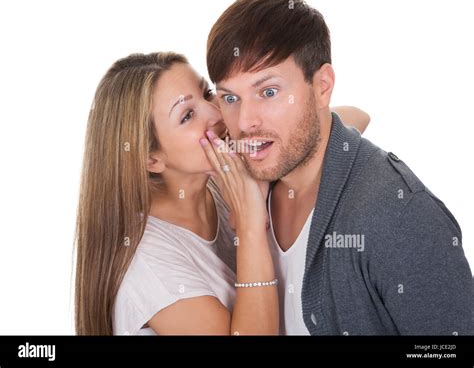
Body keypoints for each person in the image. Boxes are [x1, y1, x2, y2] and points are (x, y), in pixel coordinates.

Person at [206, 0, 473, 335]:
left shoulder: (398, 216)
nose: (245, 122)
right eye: (230, 98)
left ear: (322, 86)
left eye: (268, 92)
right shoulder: (250, 180)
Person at [74, 51, 369, 335]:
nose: (216, 113)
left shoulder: (224, 180)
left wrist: (272, 158)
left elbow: (355, 118)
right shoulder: (148, 267)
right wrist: (250, 225)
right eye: (187, 115)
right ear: (151, 159)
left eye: (206, 93)